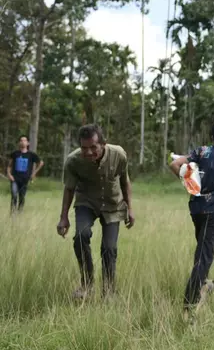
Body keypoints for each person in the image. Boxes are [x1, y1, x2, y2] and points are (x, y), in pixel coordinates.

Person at [170, 119, 214, 321]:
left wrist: (189, 183)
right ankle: (188, 308)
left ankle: (204, 284)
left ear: (212, 136)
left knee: (202, 251)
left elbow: (175, 164)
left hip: (197, 208)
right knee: (204, 256)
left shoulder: (202, 151)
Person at [56, 124, 134, 299]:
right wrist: (63, 218)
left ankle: (109, 291)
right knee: (81, 236)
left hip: (112, 204)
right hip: (86, 202)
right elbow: (69, 189)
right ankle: (87, 284)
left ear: (103, 144)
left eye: (93, 147)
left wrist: (130, 208)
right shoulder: (73, 161)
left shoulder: (118, 155)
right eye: (84, 148)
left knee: (109, 248)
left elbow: (125, 181)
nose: (89, 152)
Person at [6, 135, 44, 213]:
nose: (23, 142)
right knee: (14, 195)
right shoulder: (15, 154)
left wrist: (34, 173)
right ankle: (13, 213)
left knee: (22, 197)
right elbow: (9, 166)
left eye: (24, 140)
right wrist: (9, 175)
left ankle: (20, 212)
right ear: (19, 143)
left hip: (25, 179)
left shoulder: (31, 155)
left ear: (28, 143)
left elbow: (41, 163)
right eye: (21, 140)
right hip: (14, 179)